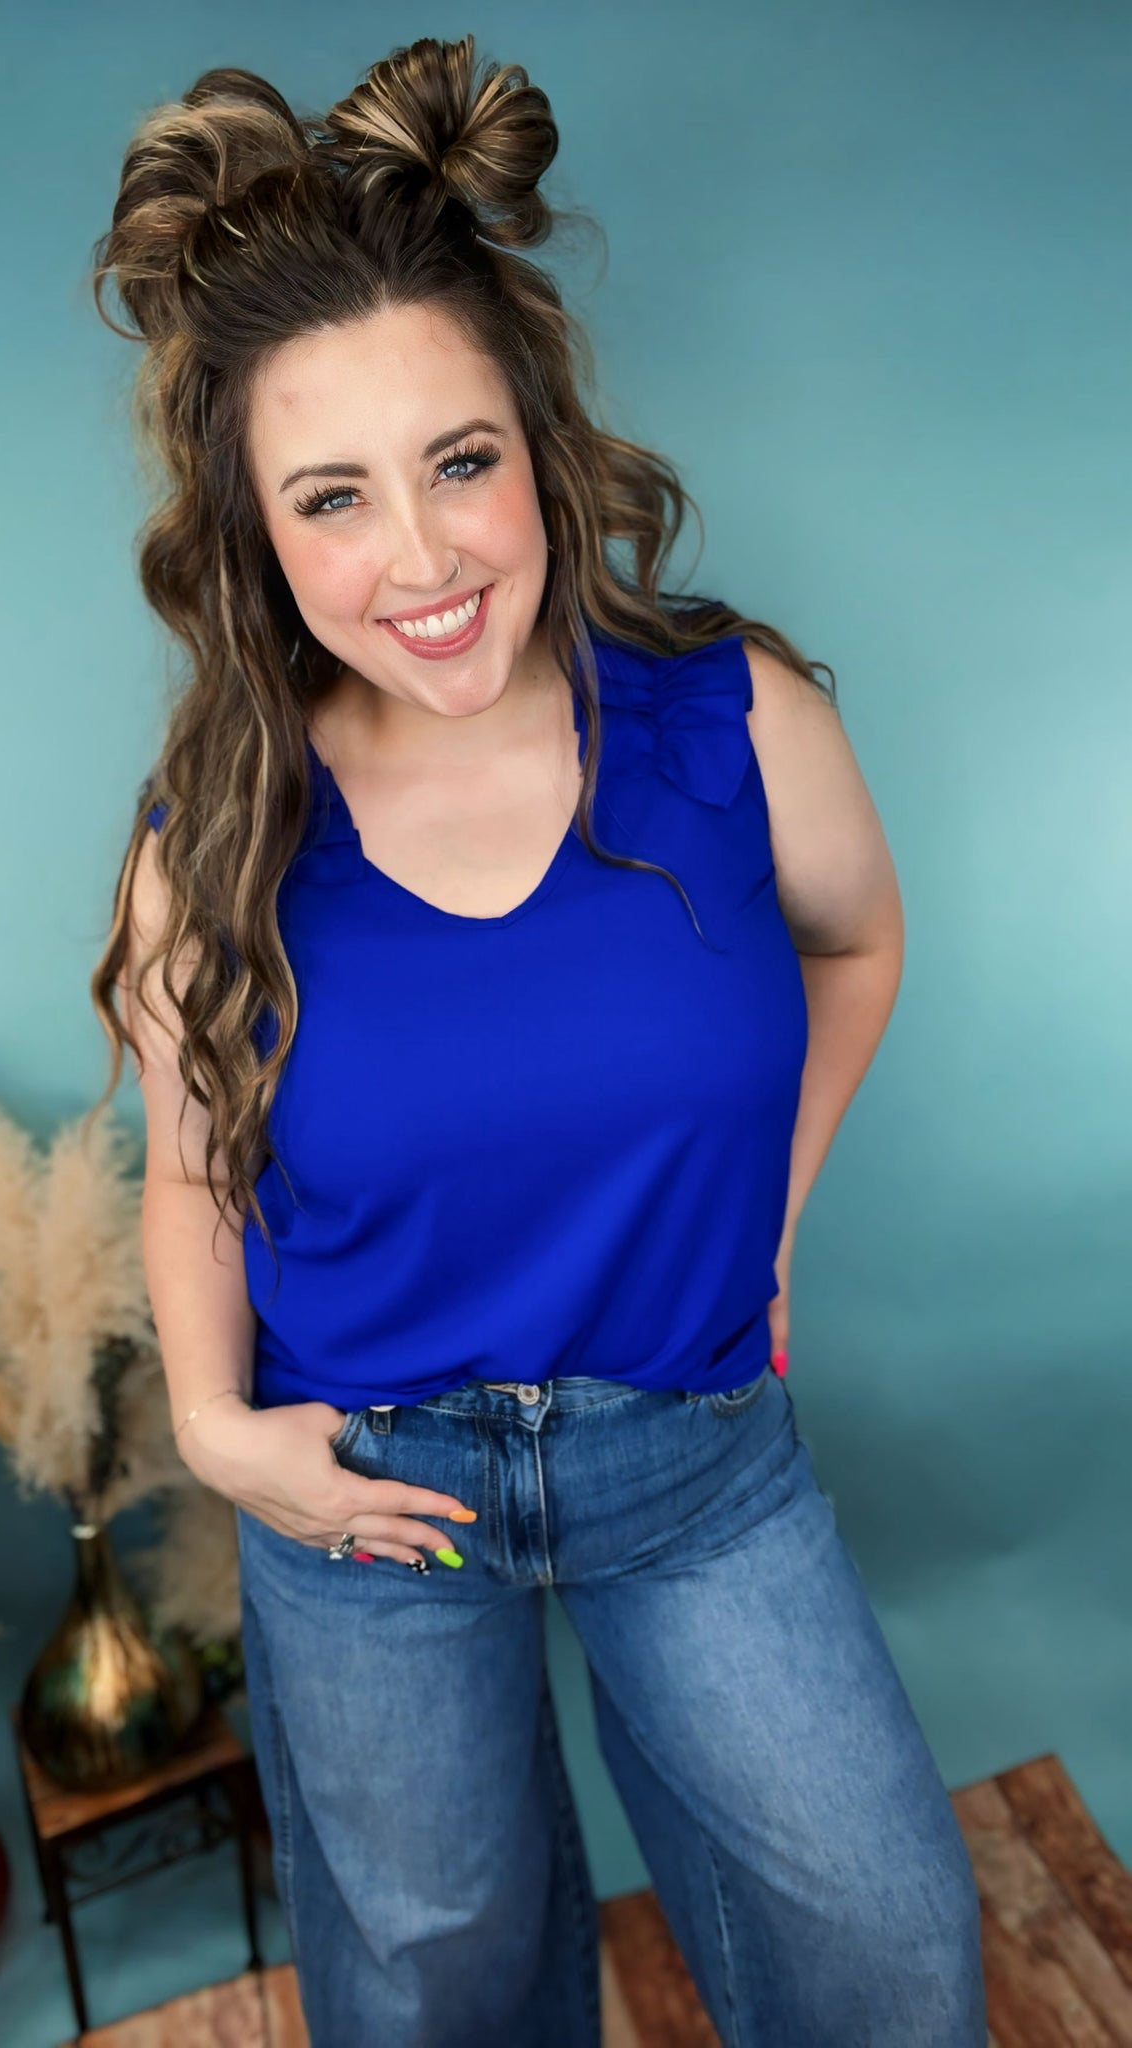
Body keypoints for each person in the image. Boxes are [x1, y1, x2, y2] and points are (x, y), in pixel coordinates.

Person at [88, 33, 988, 2048]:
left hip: (693, 1448)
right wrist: (222, 1435)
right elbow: (193, 1168)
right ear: (255, 534)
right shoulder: (216, 838)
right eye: (333, 498)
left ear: (540, 440)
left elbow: (857, 943)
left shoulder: (735, 721)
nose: (422, 561)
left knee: (886, 1947)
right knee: (435, 1998)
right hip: (368, 1496)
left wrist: (770, 1219)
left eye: (460, 461)